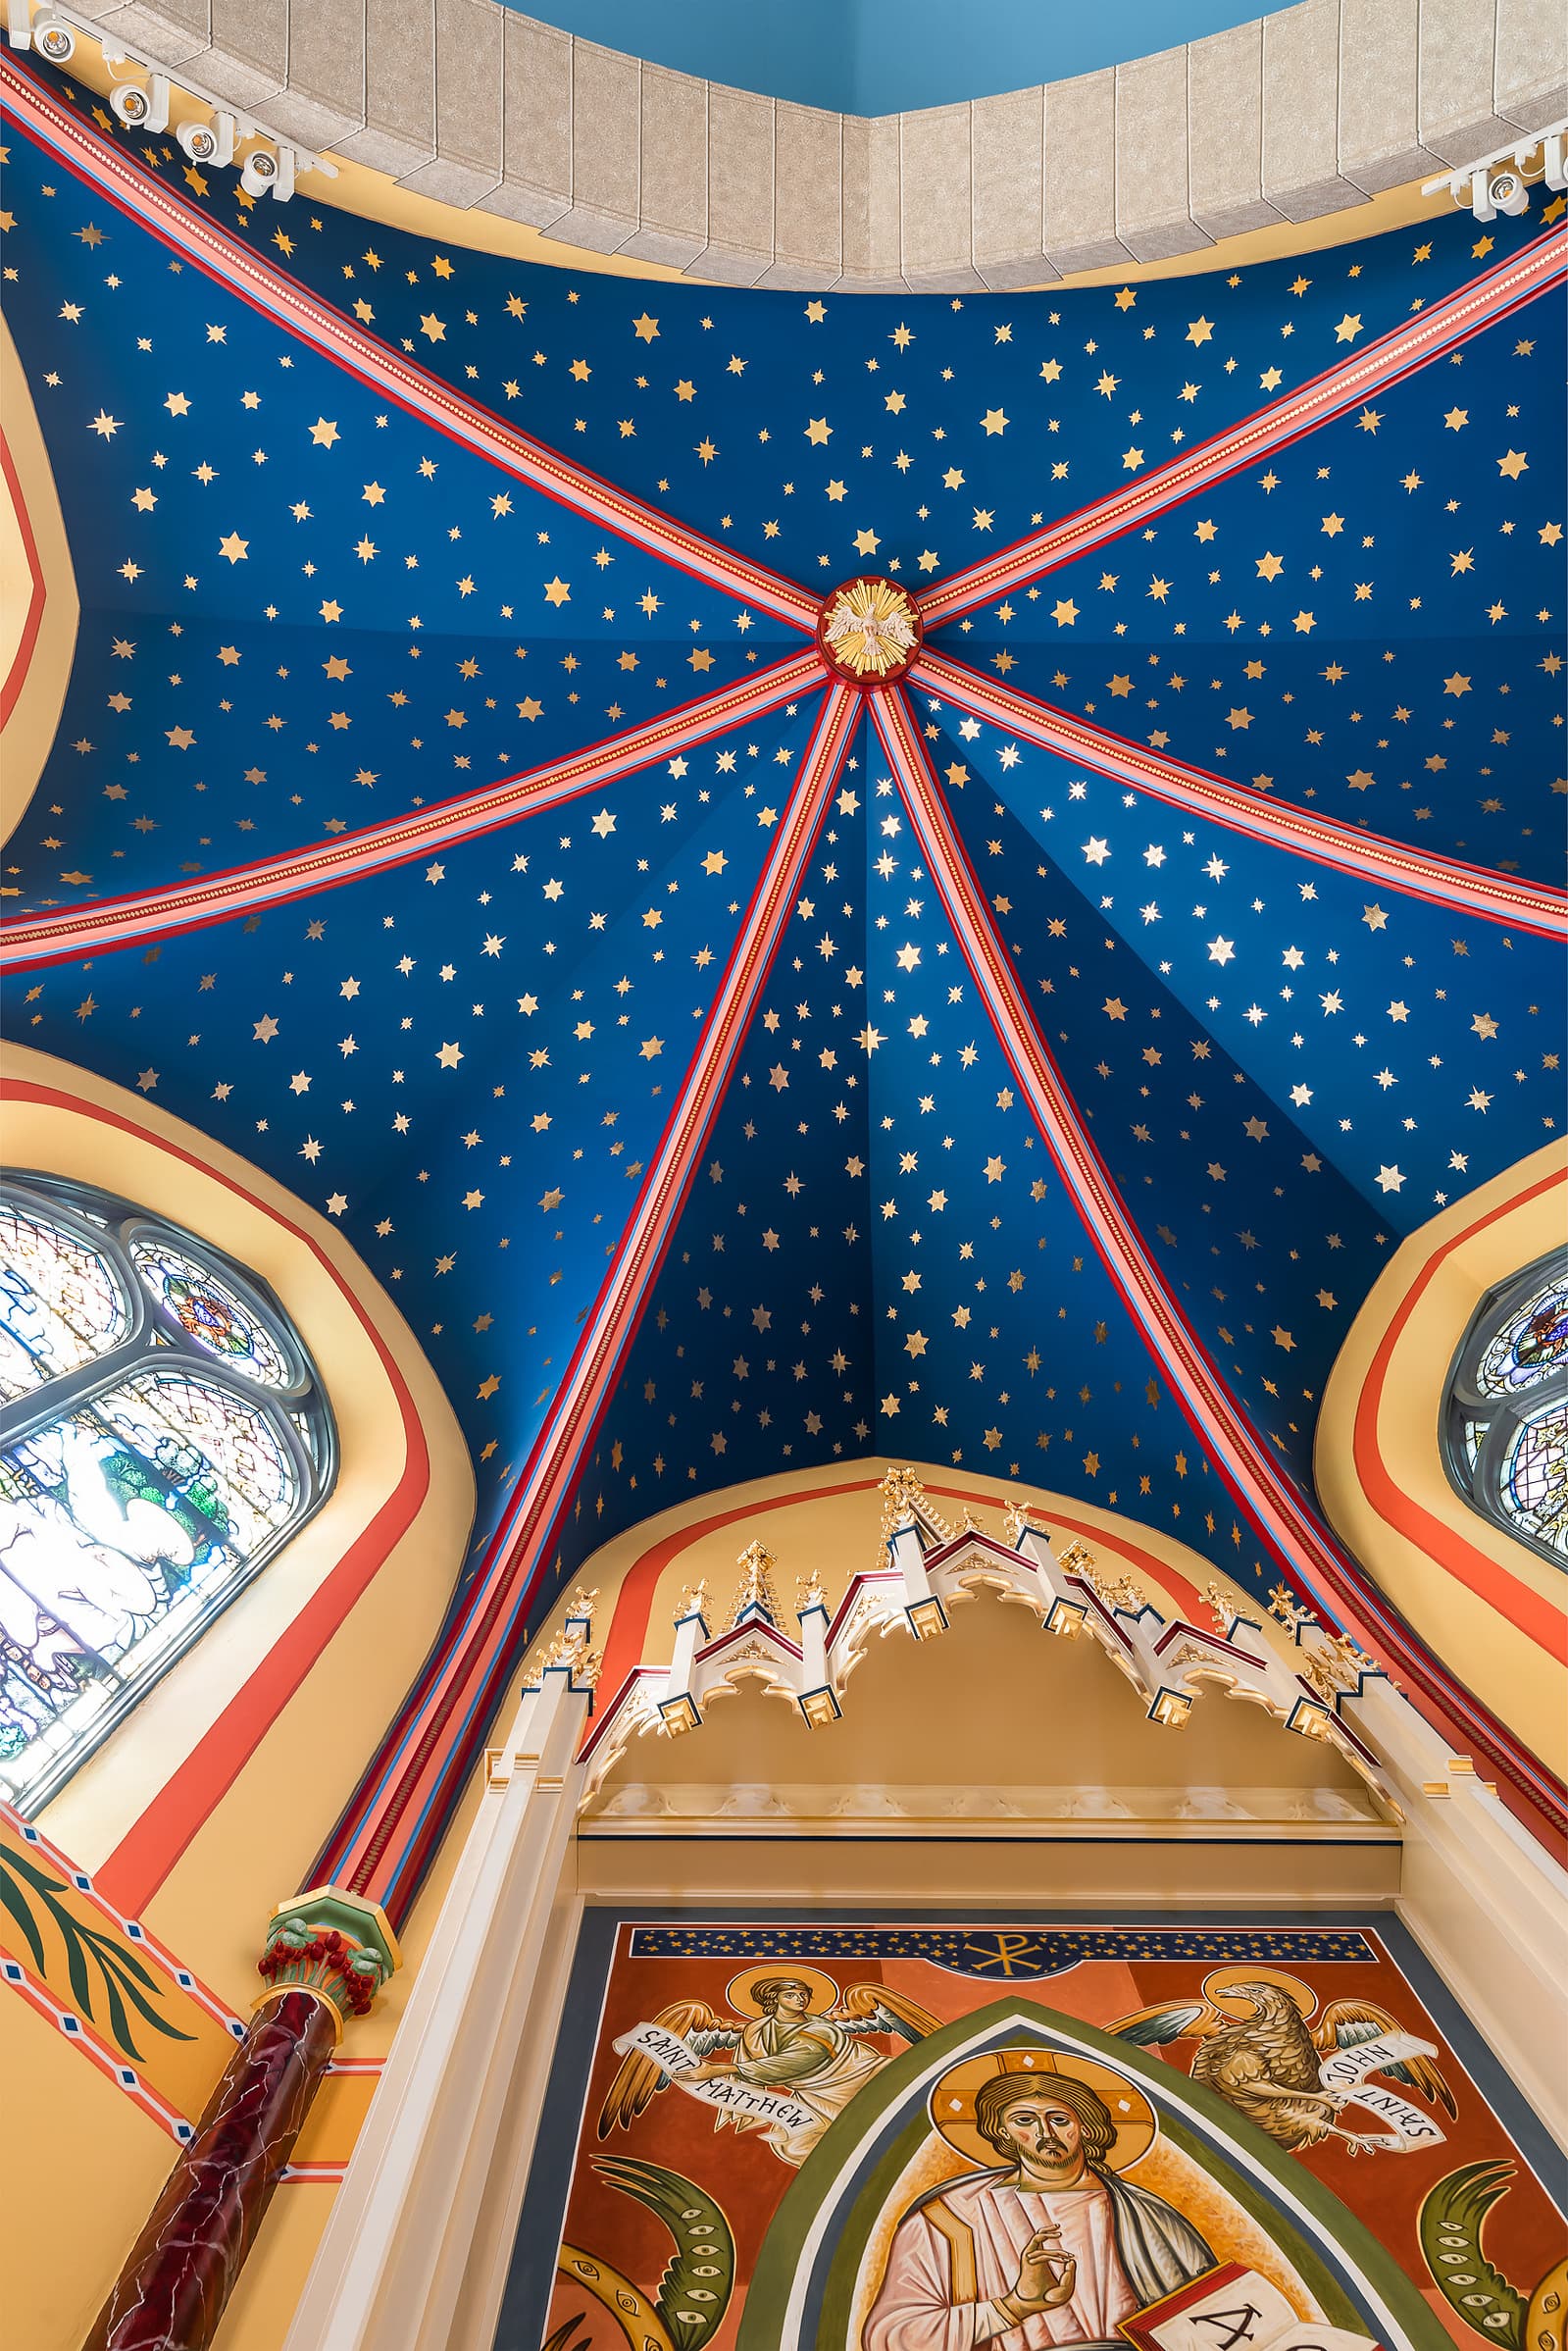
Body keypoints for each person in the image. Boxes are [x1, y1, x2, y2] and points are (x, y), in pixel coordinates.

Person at [864, 2069, 1214, 2350]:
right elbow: (891, 2336)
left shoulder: (1149, 2215)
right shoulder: (950, 2218)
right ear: (1000, 2130)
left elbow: (1219, 2316)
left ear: (1085, 2127)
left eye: (1059, 2119)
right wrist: (1015, 2307)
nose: (1045, 2131)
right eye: (1024, 2120)